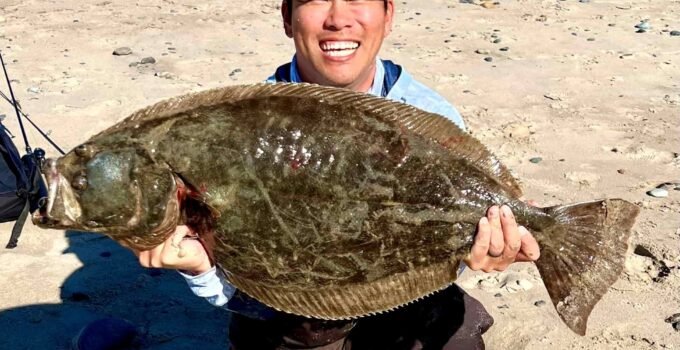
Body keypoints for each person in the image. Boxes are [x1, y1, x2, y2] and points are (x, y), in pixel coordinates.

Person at [132, 1, 541, 349]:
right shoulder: (241, 125)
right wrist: (201, 272)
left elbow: (445, 249)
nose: (338, 18)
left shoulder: (429, 118)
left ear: (388, 14)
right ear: (287, 18)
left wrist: (486, 248)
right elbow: (245, 291)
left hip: (406, 298)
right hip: (291, 317)